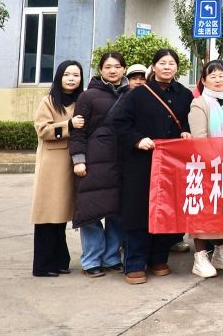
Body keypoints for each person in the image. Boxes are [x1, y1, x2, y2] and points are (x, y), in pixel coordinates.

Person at [114, 48, 192, 284]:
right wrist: (137, 140)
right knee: (139, 212)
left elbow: (187, 122)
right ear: (154, 66)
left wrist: (186, 132)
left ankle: (159, 258)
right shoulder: (138, 94)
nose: (167, 67)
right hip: (142, 163)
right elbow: (120, 123)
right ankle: (135, 263)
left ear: (177, 68)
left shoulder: (185, 94)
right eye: (162, 63)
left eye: (171, 63)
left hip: (171, 165)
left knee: (167, 210)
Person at [70, 52, 127, 278]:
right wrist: (79, 160)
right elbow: (78, 132)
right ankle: (92, 260)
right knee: (91, 213)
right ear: (100, 70)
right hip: (94, 163)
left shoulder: (130, 94)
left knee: (117, 213)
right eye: (108, 66)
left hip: (121, 163)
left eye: (117, 66)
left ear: (124, 69)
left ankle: (112, 257)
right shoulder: (87, 96)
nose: (113, 70)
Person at [187, 60, 223, 278]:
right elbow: (199, 139)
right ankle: (200, 256)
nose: (218, 80)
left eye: (221, 75)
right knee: (204, 210)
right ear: (203, 80)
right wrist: (214, 161)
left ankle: (220, 252)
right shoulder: (199, 103)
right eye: (212, 76)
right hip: (207, 166)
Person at [31, 60, 84, 277]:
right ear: (59, 77)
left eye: (76, 75)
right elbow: (42, 130)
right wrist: (69, 125)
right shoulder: (49, 101)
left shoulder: (82, 100)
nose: (71, 79)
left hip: (72, 162)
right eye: (67, 75)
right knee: (47, 215)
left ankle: (60, 260)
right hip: (52, 165)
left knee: (61, 215)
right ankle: (43, 265)